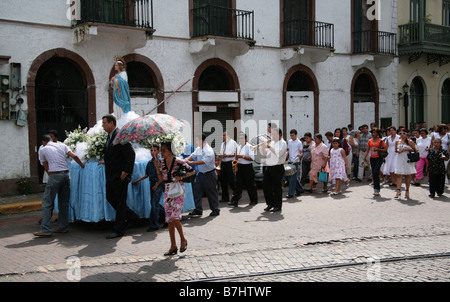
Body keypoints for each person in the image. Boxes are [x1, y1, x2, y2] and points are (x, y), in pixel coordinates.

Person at [34, 135, 85, 237]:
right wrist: (82, 165)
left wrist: (52, 176)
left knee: (47, 202)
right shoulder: (62, 145)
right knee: (63, 202)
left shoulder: (43, 150)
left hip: (55, 175)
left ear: (44, 142)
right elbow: (74, 156)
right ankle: (63, 226)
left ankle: (46, 229)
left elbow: (45, 166)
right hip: (66, 175)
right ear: (52, 140)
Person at [101, 114, 140, 239]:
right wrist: (106, 161)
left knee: (120, 201)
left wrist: (126, 171)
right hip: (111, 174)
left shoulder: (120, 136)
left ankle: (118, 229)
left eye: (104, 123)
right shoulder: (110, 136)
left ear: (112, 123)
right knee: (110, 197)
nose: (103, 125)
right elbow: (114, 154)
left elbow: (130, 154)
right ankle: (132, 217)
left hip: (120, 176)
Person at [159, 142, 195, 256]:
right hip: (168, 190)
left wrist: (180, 177)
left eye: (163, 150)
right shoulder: (162, 162)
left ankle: (183, 240)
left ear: (170, 150)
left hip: (178, 190)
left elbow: (192, 171)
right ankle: (173, 245)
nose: (161, 153)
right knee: (169, 219)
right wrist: (156, 167)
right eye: (161, 150)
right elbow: (161, 177)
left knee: (175, 217)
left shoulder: (179, 161)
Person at [132, 144, 165, 232]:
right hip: (152, 184)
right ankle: (166, 217)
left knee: (154, 204)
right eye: (151, 150)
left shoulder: (161, 162)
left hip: (159, 184)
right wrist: (137, 181)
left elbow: (163, 177)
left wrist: (156, 185)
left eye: (154, 150)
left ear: (158, 151)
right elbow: (147, 174)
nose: (153, 152)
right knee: (154, 203)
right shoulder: (150, 163)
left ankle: (154, 224)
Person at [186, 134, 220, 217]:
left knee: (211, 192)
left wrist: (191, 163)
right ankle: (198, 209)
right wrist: (184, 160)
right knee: (197, 192)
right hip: (200, 174)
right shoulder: (199, 149)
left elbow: (203, 161)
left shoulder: (208, 150)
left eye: (197, 140)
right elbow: (192, 156)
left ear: (201, 140)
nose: (196, 142)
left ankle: (215, 209)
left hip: (209, 174)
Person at [260, 127, 287, 212]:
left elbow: (278, 154)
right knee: (266, 186)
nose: (272, 136)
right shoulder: (272, 142)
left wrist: (268, 146)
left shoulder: (283, 143)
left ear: (280, 135)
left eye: (274, 134)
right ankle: (270, 204)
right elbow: (266, 154)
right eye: (272, 134)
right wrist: (263, 147)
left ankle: (277, 206)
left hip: (277, 167)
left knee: (277, 188)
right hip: (269, 166)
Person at [229, 133, 258, 206]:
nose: (240, 140)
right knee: (238, 184)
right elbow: (236, 157)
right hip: (240, 166)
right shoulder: (238, 147)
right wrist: (236, 158)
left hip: (247, 167)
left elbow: (252, 158)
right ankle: (234, 201)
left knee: (250, 185)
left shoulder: (250, 146)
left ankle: (254, 200)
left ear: (245, 139)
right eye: (239, 139)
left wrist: (242, 156)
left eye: (242, 138)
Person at [361, 128, 387, 196]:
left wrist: (378, 149)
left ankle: (377, 188)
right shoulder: (370, 141)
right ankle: (376, 188)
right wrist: (363, 159)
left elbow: (385, 149)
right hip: (372, 158)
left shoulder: (381, 141)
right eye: (372, 132)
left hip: (379, 158)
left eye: (375, 133)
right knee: (374, 172)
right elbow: (367, 150)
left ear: (378, 134)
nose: (373, 134)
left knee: (376, 171)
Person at [393, 130, 417, 199]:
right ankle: (398, 190)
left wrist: (407, 149)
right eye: (400, 133)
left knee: (407, 175)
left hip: (407, 158)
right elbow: (395, 150)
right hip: (400, 158)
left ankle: (407, 190)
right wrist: (398, 151)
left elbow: (415, 150)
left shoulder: (410, 141)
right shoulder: (398, 141)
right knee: (399, 175)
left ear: (406, 134)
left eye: (404, 133)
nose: (402, 135)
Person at [217, 131, 237, 202]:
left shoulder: (233, 143)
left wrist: (227, 155)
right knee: (223, 181)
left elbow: (235, 154)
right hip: (223, 163)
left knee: (231, 180)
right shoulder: (222, 144)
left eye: (224, 135)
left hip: (229, 163)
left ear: (228, 136)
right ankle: (225, 197)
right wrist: (219, 156)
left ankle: (236, 195)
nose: (223, 137)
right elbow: (221, 153)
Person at [285, 129, 304, 198]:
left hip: (295, 161)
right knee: (292, 177)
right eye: (291, 135)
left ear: (296, 135)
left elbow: (301, 152)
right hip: (290, 161)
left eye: (293, 135)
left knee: (293, 178)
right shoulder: (289, 142)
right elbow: (289, 150)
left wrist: (300, 156)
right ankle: (300, 189)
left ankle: (291, 193)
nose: (291, 137)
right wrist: (286, 157)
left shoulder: (299, 142)